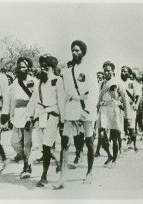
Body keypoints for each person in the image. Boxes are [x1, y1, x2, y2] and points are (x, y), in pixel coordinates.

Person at [54, 40, 99, 189]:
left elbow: (94, 92)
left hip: (86, 109)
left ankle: (90, 172)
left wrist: (87, 110)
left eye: (77, 50)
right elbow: (63, 95)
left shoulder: (89, 69)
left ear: (83, 53)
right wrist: (63, 115)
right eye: (72, 50)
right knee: (65, 143)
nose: (74, 53)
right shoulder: (66, 72)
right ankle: (62, 177)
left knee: (89, 142)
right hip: (71, 110)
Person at [25, 54, 65, 187]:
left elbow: (61, 101)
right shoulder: (39, 82)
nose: (43, 69)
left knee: (47, 146)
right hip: (41, 116)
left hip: (53, 116)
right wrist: (29, 117)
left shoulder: (57, 80)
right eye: (41, 66)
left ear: (52, 67)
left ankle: (44, 175)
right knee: (44, 146)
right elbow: (33, 101)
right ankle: (56, 165)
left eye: (46, 66)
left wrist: (63, 120)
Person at [9, 57, 36, 179]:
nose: (21, 69)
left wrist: (32, 117)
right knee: (15, 142)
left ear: (29, 68)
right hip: (17, 115)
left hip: (28, 115)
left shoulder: (33, 81)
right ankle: (22, 156)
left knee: (27, 144)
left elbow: (35, 100)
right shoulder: (15, 82)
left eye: (23, 67)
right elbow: (12, 100)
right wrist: (10, 116)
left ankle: (27, 167)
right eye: (19, 67)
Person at [97, 61, 125, 168]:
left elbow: (123, 97)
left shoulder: (118, 81)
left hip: (114, 109)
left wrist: (121, 106)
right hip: (103, 109)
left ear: (113, 71)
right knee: (101, 135)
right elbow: (98, 98)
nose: (106, 72)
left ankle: (114, 160)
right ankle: (109, 155)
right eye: (105, 70)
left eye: (108, 70)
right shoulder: (101, 83)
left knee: (114, 137)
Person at [121, 66, 141, 151]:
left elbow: (138, 96)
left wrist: (136, 104)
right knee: (121, 128)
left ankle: (134, 144)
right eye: (122, 71)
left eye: (125, 71)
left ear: (129, 74)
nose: (123, 73)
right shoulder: (118, 82)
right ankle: (120, 147)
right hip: (121, 107)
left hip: (130, 107)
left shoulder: (134, 83)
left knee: (131, 128)